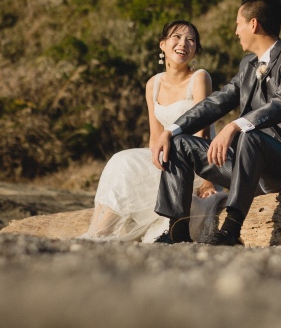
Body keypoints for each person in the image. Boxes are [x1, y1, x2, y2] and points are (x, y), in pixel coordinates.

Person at [151, 0, 281, 245]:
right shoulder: (248, 65)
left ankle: (231, 229)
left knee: (249, 136)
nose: (236, 31)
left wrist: (235, 125)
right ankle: (177, 230)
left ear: (253, 24)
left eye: (238, 24)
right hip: (249, 169)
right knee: (180, 144)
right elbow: (216, 102)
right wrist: (171, 131)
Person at [83, 20, 225, 242]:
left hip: (197, 164)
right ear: (162, 45)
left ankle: (103, 234)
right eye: (176, 37)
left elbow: (203, 134)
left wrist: (207, 181)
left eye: (191, 40)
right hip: (166, 160)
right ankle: (100, 232)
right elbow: (155, 136)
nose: (183, 44)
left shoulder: (200, 78)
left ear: (196, 49)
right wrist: (156, 165)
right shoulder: (153, 84)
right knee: (122, 160)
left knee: (127, 164)